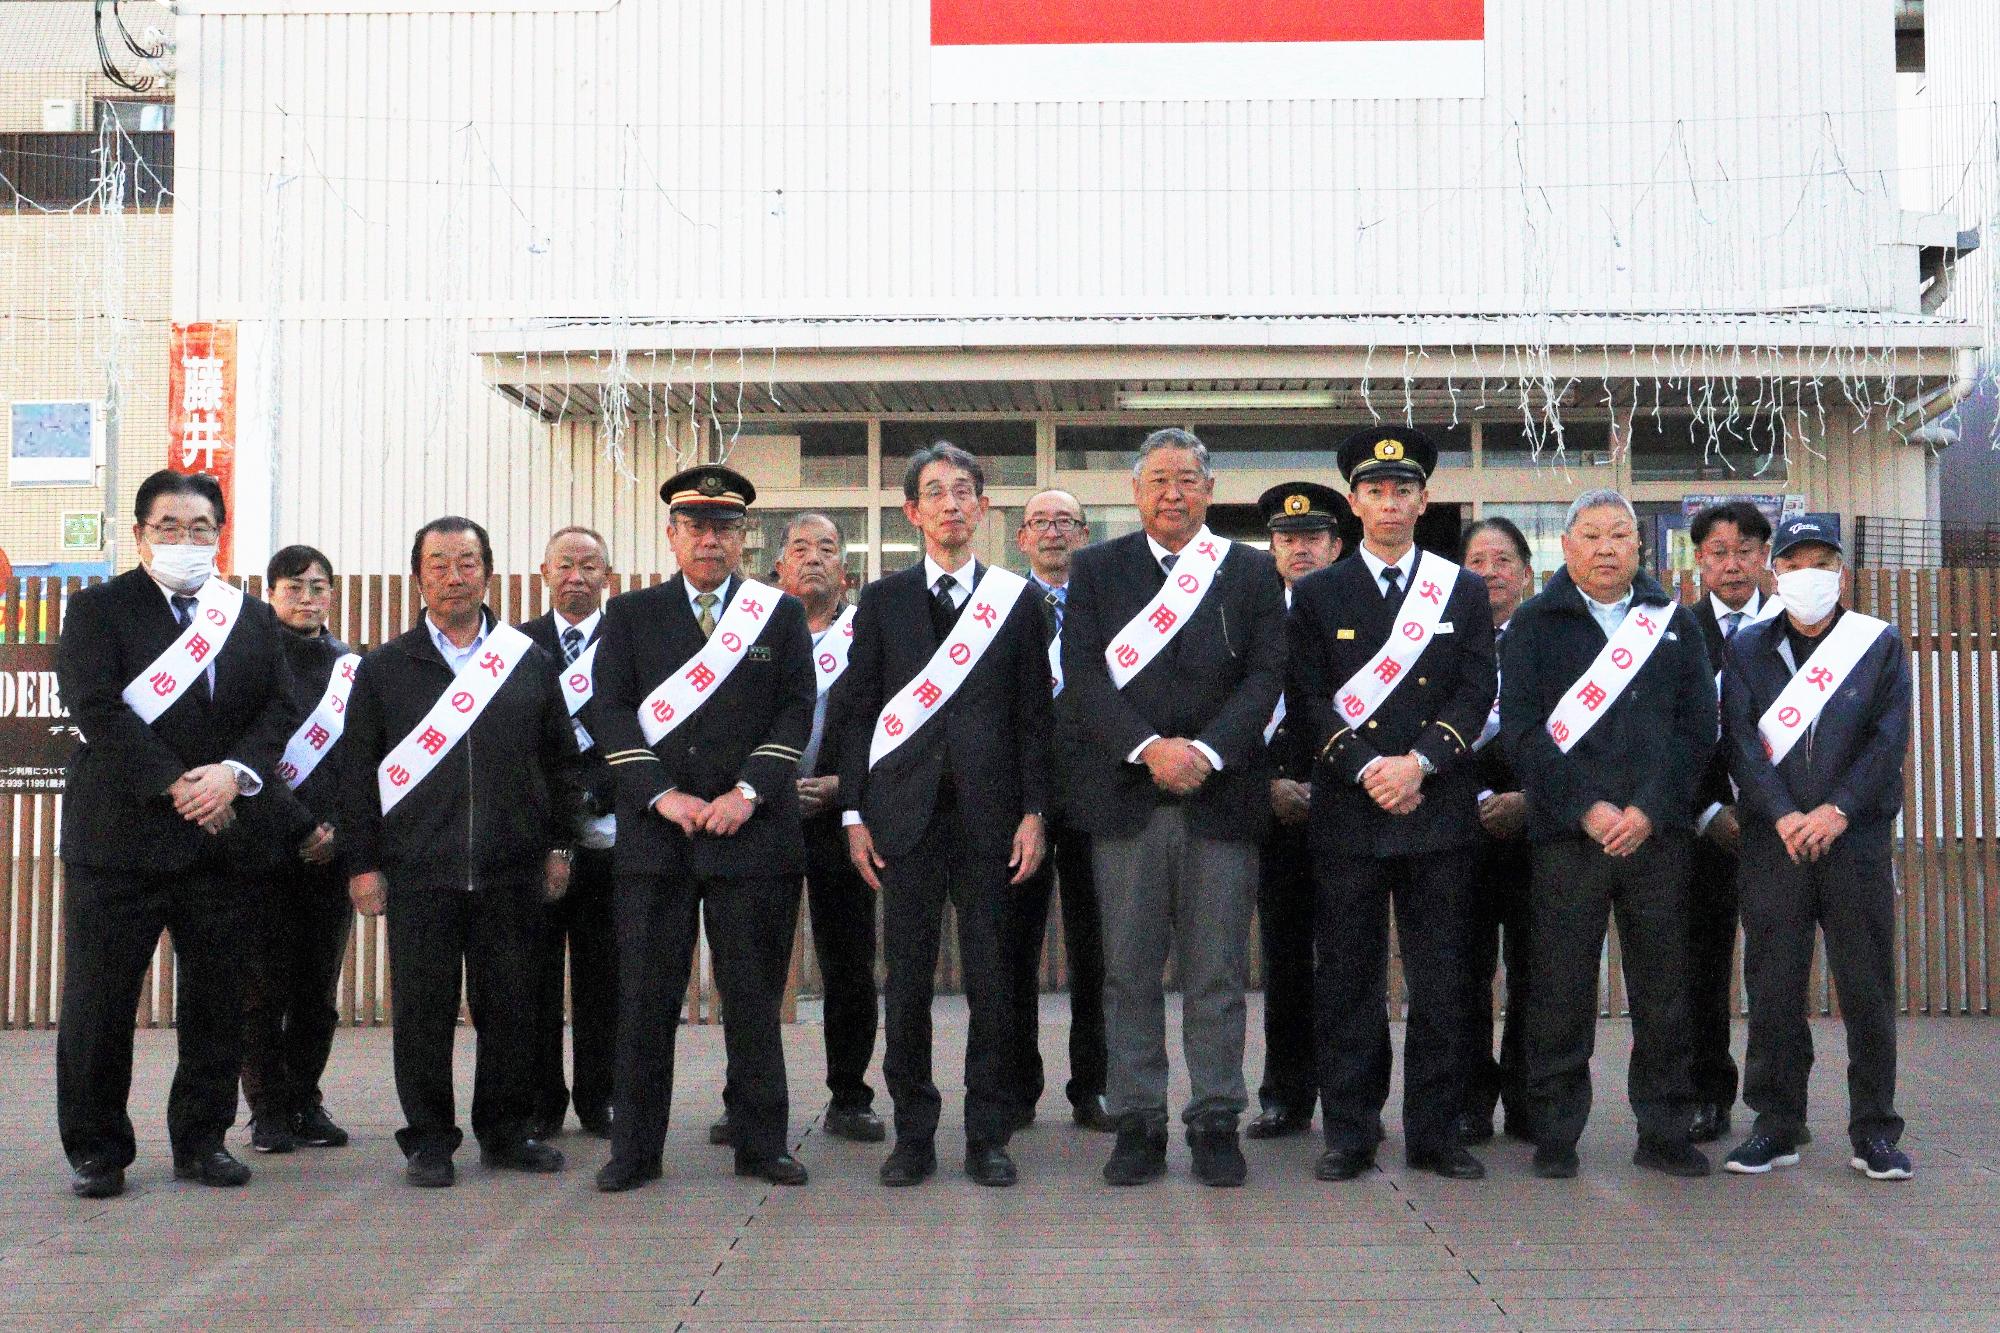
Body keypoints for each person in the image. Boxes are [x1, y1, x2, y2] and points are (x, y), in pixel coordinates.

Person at [55, 469, 301, 1198]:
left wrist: (232, 773)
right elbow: (97, 708)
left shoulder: (250, 617)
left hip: (222, 841)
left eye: (200, 528)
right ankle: (98, 1149)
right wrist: (177, 783)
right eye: (169, 526)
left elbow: (278, 710)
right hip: (119, 841)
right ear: (139, 534)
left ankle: (201, 1140)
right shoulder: (97, 610)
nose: (185, 540)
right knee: (99, 1004)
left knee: (217, 1002)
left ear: (218, 536)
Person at [1061, 428, 1286, 1188]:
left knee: (1217, 970)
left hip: (1220, 798)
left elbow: (1266, 676)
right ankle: (1138, 1120)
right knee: (1127, 971)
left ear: (1210, 489)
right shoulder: (1097, 570)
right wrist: (1150, 748)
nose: (1172, 493)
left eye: (1187, 478)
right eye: (1158, 479)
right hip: (1126, 797)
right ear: (1135, 491)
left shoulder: (1251, 572)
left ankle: (1216, 1117)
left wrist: (1208, 752)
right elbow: (1084, 678)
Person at [592, 467, 817, 1192]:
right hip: (659, 838)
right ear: (672, 534)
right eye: (696, 526)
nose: (710, 539)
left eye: (724, 527)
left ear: (742, 537)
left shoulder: (776, 615)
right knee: (645, 1002)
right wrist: (663, 796)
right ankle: (635, 1149)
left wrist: (748, 792)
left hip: (750, 834)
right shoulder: (630, 615)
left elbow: (794, 711)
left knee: (752, 1000)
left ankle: (762, 1144)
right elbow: (611, 713)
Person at [342, 516, 583, 1188]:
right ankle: (427, 1139)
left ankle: (506, 1131)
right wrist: (363, 863)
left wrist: (560, 842)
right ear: (417, 574)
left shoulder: (526, 660)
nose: (454, 575)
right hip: (420, 871)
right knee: (422, 1011)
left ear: (489, 570)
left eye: (468, 561)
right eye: (440, 562)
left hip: (512, 867)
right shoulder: (386, 667)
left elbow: (560, 762)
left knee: (511, 1007)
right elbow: (356, 772)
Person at [839, 442, 1052, 1189]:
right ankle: (914, 1133)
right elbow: (858, 710)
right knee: (907, 984)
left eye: (965, 490)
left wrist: (1035, 810)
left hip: (994, 821)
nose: (952, 504)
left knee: (996, 981)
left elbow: (1034, 716)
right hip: (904, 820)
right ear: (913, 511)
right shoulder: (883, 600)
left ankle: (989, 1133)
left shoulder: (1017, 600)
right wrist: (853, 814)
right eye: (936, 492)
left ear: (984, 507)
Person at [1287, 429, 1495, 1183]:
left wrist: (1420, 763)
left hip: (1435, 810)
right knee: (1347, 978)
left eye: (1403, 489)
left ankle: (1436, 1131)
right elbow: (1306, 697)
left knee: (1443, 980)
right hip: (1349, 812)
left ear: (1423, 499)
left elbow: (1476, 691)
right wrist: (1367, 765)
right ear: (1353, 502)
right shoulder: (1317, 594)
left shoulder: (1460, 588)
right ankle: (1350, 1128)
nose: (1389, 502)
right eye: (1374, 490)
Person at [1500, 489, 1715, 1179]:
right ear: (1565, 547)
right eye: (1590, 535)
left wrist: (1649, 808)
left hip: (1658, 836)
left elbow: (1697, 729)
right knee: (1561, 986)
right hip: (1569, 837)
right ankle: (1555, 1130)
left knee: (1665, 987)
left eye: (1619, 534)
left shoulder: (1674, 623)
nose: (1605, 547)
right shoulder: (1534, 624)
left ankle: (1665, 1128)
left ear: (1639, 545)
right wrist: (1586, 808)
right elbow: (1524, 732)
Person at [1719, 516, 1913, 1181]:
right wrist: (1781, 812)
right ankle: (1775, 1122)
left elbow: (1887, 741)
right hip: (1776, 841)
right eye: (1795, 560)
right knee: (1772, 982)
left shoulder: (1876, 644)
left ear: (1841, 570)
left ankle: (1876, 1128)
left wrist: (1836, 810)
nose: (1809, 573)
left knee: (1866, 984)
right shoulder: (1747, 647)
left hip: (1852, 838)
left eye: (1822, 561)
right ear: (1776, 571)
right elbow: (1741, 742)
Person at [747, 512, 886, 1145]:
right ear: (778, 568)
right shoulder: (747, 635)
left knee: (848, 962)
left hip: (842, 816)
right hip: (764, 814)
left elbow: (891, 724)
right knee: (755, 963)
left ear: (846, 571)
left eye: (827, 549)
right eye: (799, 549)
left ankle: (850, 1096)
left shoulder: (868, 636)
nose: (812, 559)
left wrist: (843, 787)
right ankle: (743, 1096)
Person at [238, 544, 358, 1156]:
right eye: (295, 587)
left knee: (318, 991)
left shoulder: (351, 668)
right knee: (263, 991)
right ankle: (266, 1110)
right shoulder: (250, 661)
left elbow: (362, 760)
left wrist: (334, 828)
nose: (308, 598)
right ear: (272, 592)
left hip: (330, 855)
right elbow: (248, 759)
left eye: (318, 587)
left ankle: (305, 1099)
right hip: (264, 850)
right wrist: (299, 825)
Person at [1006, 488, 1112, 1133]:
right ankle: (1016, 1086)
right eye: (1039, 523)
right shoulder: (998, 605)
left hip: (1097, 795)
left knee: (1096, 953)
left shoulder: (1110, 605)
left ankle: (1092, 1086)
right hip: (1019, 801)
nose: (1052, 532)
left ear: (1083, 533)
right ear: (1021, 538)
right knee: (1012, 948)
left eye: (1065, 522)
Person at [1246, 480, 1347, 1142]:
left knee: (1348, 962)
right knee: (1283, 961)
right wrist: (1266, 787)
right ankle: (1285, 1093)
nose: (1299, 548)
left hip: (1346, 806)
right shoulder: (1250, 614)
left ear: (1337, 545)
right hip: (1270, 813)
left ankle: (1347, 1095)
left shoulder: (1365, 612)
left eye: (1312, 537)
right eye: (1287, 538)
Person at [518, 526, 620, 1140]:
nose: (576, 575)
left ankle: (600, 1096)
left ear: (606, 574)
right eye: (564, 564)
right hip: (538, 836)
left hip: (613, 832)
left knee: (603, 975)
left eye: (589, 565)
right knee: (532, 975)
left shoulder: (629, 641)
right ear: (544, 572)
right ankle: (540, 1100)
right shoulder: (514, 647)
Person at [1683, 499, 1775, 1145]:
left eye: (1745, 550)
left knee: (1776, 969)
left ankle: (1778, 1101)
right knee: (1702, 971)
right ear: (1698, 561)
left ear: (1765, 556)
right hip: (1707, 832)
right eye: (1719, 551)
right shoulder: (1674, 631)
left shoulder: (1800, 628)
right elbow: (1662, 735)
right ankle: (1707, 1094)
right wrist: (1708, 809)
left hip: (1783, 829)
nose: (1733, 563)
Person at [1455, 517, 1537, 1147]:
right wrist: (1480, 794)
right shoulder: (1439, 636)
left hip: (1537, 828)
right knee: (1465, 971)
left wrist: (1529, 798)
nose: (1489, 572)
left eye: (1503, 559)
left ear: (1527, 572)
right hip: (1462, 825)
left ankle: (1532, 1100)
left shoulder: (1552, 638)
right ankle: (1471, 1101)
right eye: (1477, 560)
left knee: (1538, 971)